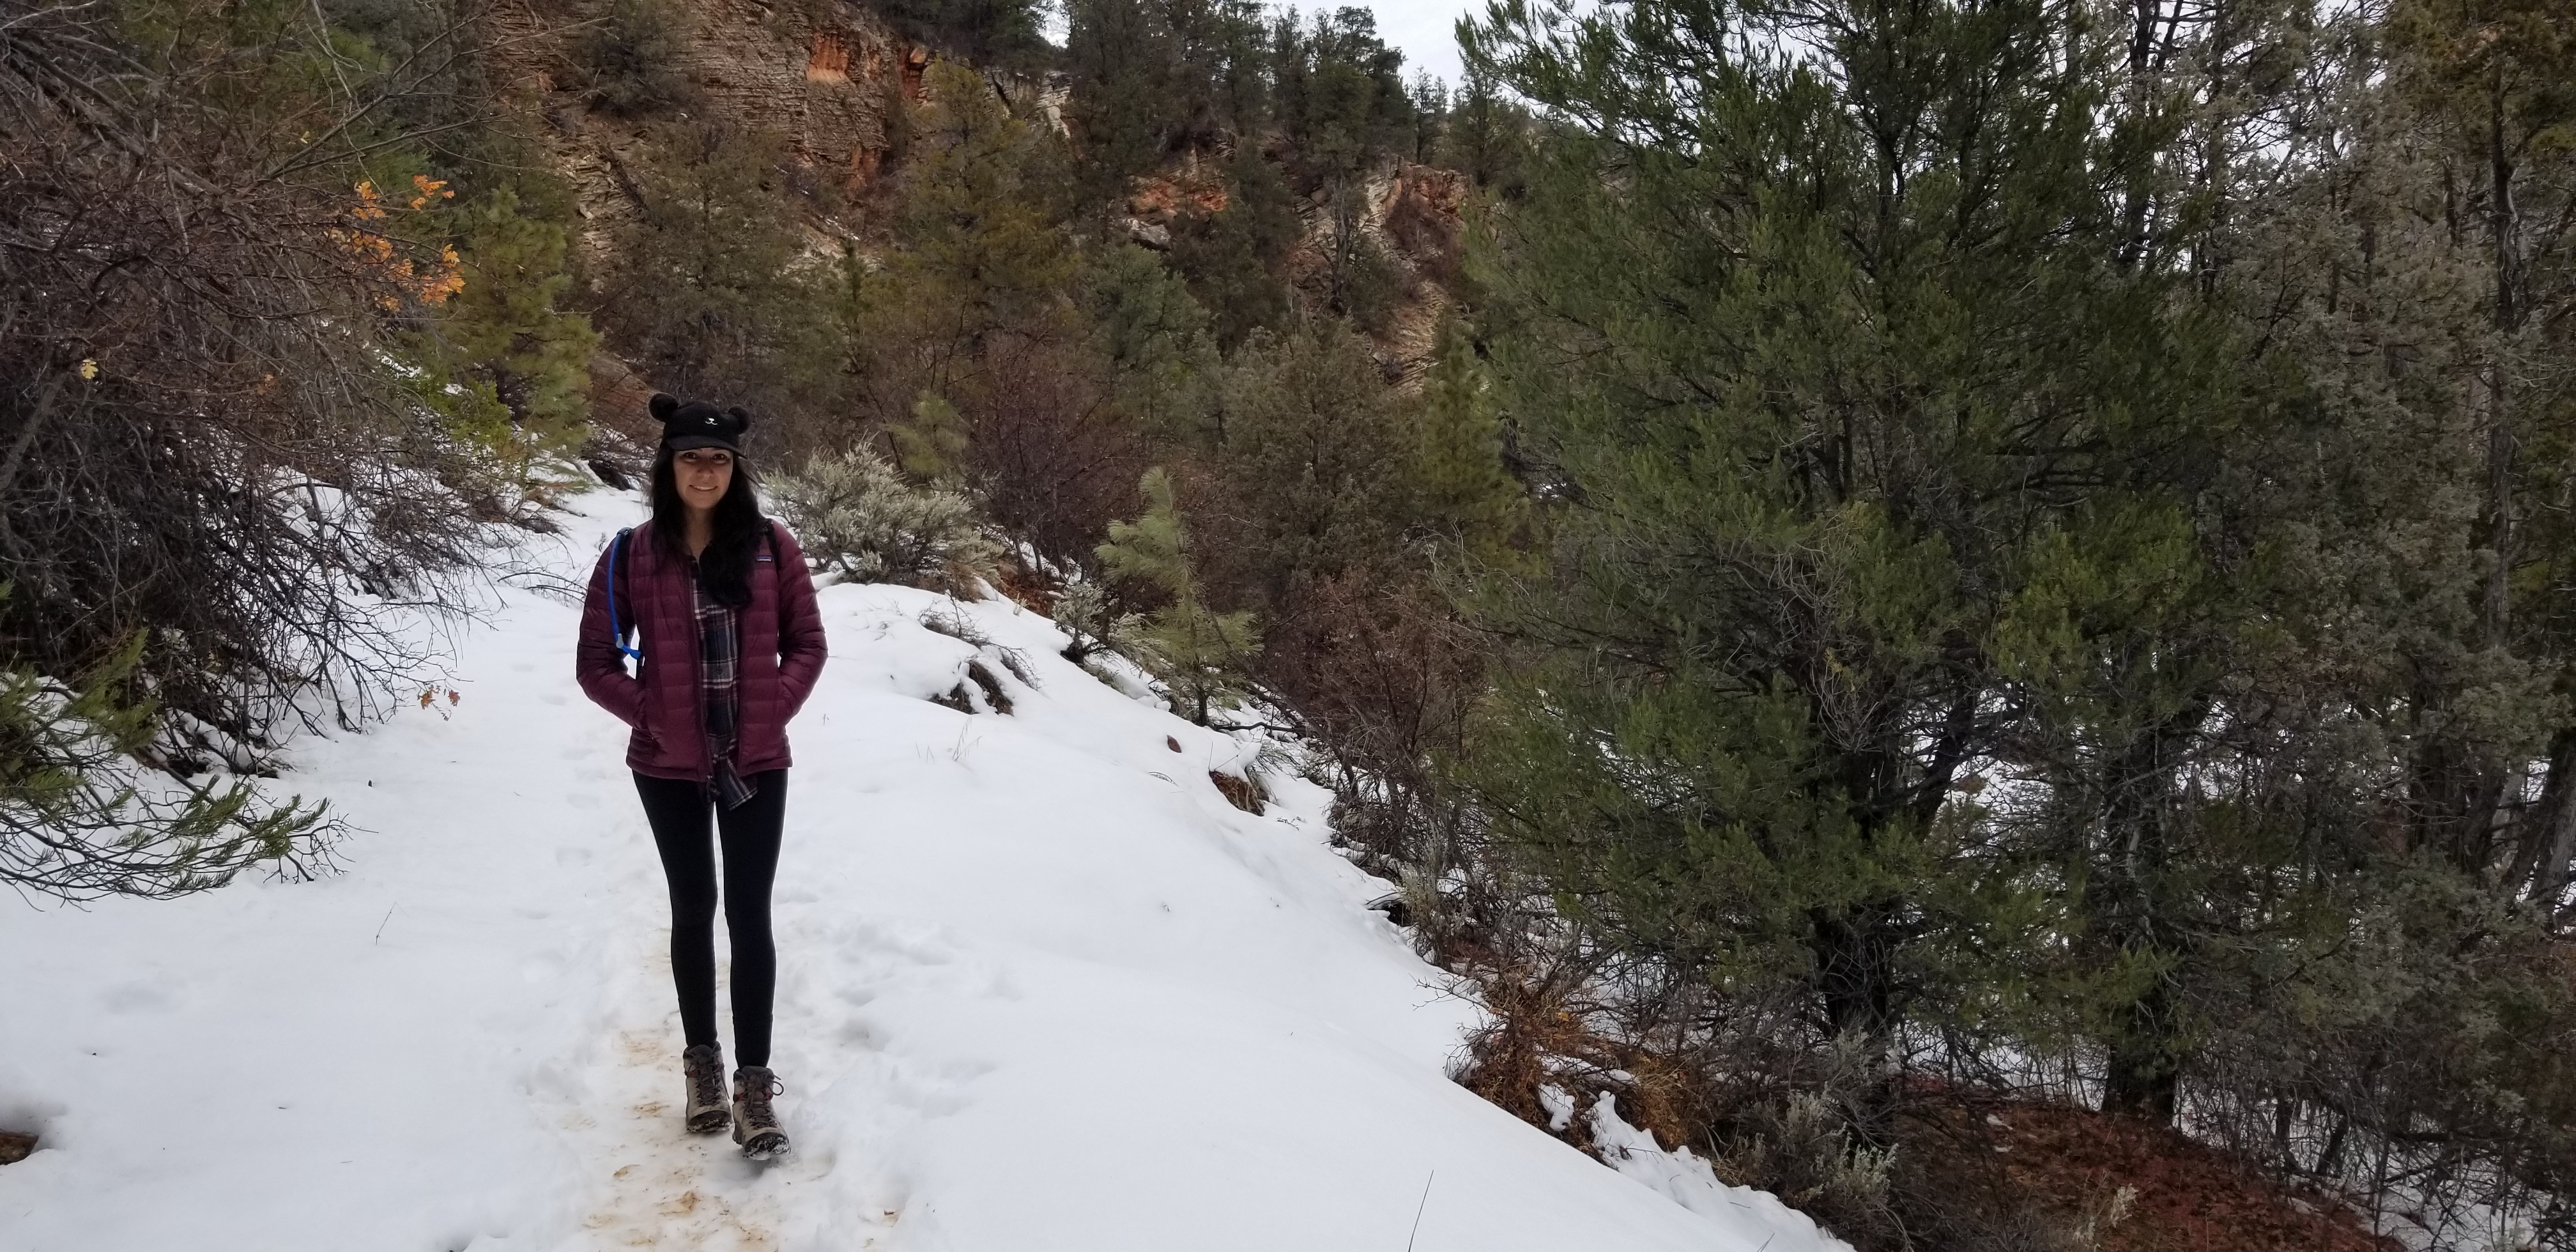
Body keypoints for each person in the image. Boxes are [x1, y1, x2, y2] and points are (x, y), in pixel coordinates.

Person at [576, 393, 827, 1161]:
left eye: (718, 459)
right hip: (669, 765)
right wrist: (651, 713)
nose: (705, 471)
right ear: (669, 465)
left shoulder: (771, 548)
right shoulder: (632, 553)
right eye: (691, 458)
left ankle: (755, 1086)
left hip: (754, 761)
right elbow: (594, 664)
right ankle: (704, 1069)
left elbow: (807, 645)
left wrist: (772, 710)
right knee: (694, 909)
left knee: (750, 916)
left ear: (735, 468)